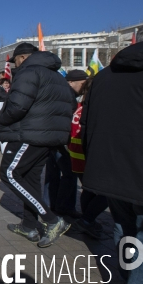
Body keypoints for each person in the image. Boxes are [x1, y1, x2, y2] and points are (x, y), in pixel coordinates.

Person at [81, 27, 143, 283]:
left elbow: (86, 125)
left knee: (124, 229)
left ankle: (128, 274)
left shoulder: (103, 77)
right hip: (142, 172)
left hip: (108, 170)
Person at [0, 42, 76, 248]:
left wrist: (2, 119)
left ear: (22, 58)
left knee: (10, 174)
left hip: (29, 134)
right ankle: (29, 225)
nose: (15, 65)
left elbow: (17, 105)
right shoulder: (57, 77)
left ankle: (52, 220)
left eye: (15, 61)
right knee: (30, 180)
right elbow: (72, 104)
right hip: (50, 137)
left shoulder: (28, 72)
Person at [63, 73, 108, 239]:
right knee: (107, 192)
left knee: (89, 189)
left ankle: (87, 220)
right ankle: (87, 220)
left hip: (76, 154)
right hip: (85, 154)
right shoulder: (93, 106)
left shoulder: (82, 104)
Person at [43, 69, 85, 219]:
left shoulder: (57, 92)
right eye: (82, 83)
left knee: (52, 173)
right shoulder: (68, 95)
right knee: (69, 173)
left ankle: (49, 203)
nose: (84, 87)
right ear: (71, 82)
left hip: (51, 137)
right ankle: (65, 206)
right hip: (62, 139)